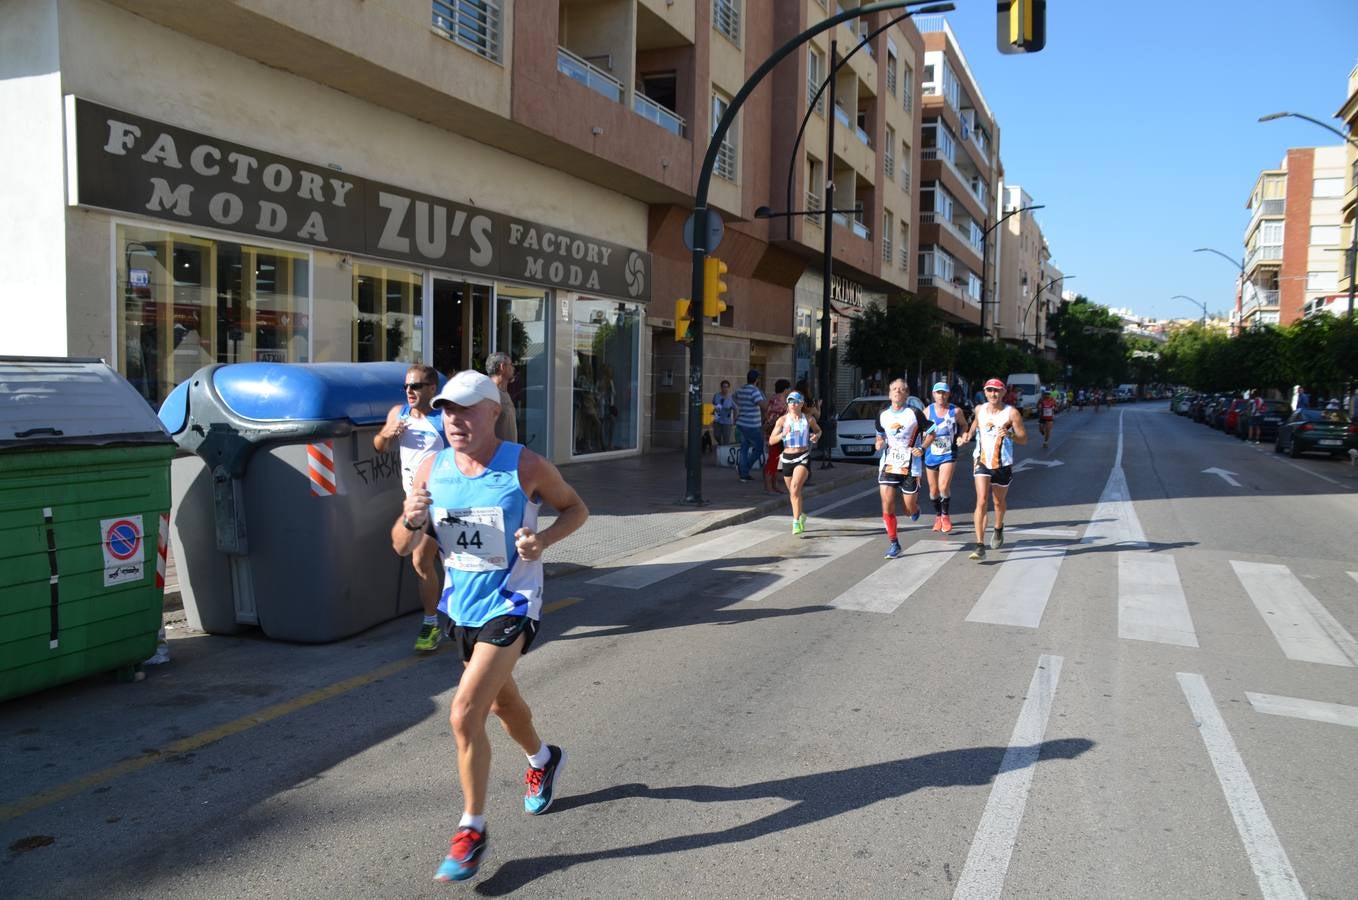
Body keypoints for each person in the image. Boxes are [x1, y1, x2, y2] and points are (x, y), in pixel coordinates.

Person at [392, 370, 589, 883]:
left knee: (463, 713)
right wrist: (412, 520)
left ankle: (471, 829)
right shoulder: (431, 468)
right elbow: (399, 544)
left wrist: (542, 542)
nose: (453, 420)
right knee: (501, 702)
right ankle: (543, 759)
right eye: (446, 410)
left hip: (514, 602)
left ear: (493, 411)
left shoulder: (524, 464)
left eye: (465, 409)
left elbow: (576, 509)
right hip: (464, 607)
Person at [373, 364, 449, 652]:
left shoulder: (443, 418)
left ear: (431, 388)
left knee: (453, 563)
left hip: (448, 502)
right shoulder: (398, 413)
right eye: (406, 386)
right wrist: (389, 433)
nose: (409, 391)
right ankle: (431, 624)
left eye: (415, 386)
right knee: (420, 562)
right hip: (418, 505)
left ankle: (461, 618)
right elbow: (378, 446)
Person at [961, 377, 1027, 561]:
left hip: (1002, 464)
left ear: (1004, 393)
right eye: (989, 390)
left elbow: (1024, 439)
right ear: (985, 392)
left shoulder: (1011, 413)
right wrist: (967, 436)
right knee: (981, 501)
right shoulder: (980, 409)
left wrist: (1011, 434)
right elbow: (974, 427)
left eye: (997, 390)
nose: (993, 394)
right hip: (981, 461)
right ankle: (979, 545)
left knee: (998, 502)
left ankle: (998, 528)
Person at [875, 378, 929, 560]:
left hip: (910, 467)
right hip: (889, 464)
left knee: (908, 509)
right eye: (894, 389)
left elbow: (932, 431)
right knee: (887, 504)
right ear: (890, 393)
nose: (898, 391)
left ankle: (914, 509)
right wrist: (879, 443)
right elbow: (880, 434)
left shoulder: (914, 413)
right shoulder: (883, 414)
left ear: (907, 394)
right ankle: (893, 543)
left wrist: (922, 448)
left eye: (902, 389)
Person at [768, 390, 821, 533]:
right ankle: (801, 515)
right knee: (793, 493)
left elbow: (818, 431)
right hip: (786, 458)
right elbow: (771, 440)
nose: (793, 404)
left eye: (796, 401)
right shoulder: (782, 420)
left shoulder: (808, 419)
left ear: (801, 404)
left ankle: (796, 522)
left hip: (802, 456)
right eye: (790, 401)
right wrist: (782, 434)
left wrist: (816, 436)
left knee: (796, 488)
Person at [923, 382, 969, 534]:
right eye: (938, 393)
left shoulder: (955, 411)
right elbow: (919, 430)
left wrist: (962, 436)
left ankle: (945, 515)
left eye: (944, 393)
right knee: (933, 491)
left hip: (948, 453)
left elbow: (964, 425)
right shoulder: (927, 411)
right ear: (933, 394)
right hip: (931, 454)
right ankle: (938, 516)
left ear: (948, 394)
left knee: (943, 486)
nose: (941, 396)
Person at [733, 369, 768, 483]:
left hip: (741, 423)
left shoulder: (741, 390)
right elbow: (762, 406)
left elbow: (734, 399)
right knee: (758, 449)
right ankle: (744, 469)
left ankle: (744, 473)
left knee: (744, 449)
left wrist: (740, 409)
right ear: (756, 379)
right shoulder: (755, 391)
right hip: (752, 424)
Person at [763, 379, 791, 494]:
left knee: (777, 460)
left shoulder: (774, 398)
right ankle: (770, 487)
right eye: (788, 388)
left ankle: (774, 486)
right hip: (776, 433)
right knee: (773, 460)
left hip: (775, 433)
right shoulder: (780, 401)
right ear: (785, 389)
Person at [485, 352, 518, 443]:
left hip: (510, 453)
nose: (513, 368)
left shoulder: (504, 393)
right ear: (502, 367)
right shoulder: (488, 395)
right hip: (496, 455)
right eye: (511, 365)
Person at [711, 379, 736, 446]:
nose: (725, 389)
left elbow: (735, 408)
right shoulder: (716, 396)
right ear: (721, 387)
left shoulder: (731, 397)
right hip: (717, 420)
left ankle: (724, 452)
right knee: (716, 435)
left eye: (727, 387)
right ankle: (720, 444)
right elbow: (713, 406)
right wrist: (712, 417)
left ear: (728, 388)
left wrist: (734, 419)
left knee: (726, 439)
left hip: (727, 421)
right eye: (724, 387)